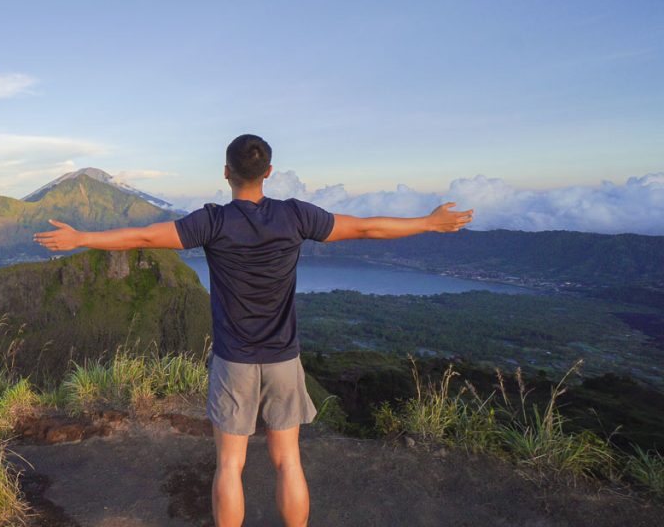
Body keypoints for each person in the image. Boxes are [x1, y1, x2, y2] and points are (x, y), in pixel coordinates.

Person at [33, 134, 473, 527]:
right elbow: (365, 227)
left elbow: (145, 237)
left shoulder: (213, 221)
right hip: (283, 357)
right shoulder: (295, 216)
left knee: (229, 465)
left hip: (234, 361)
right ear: (269, 173)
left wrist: (82, 238)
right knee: (288, 461)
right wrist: (429, 222)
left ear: (226, 173)